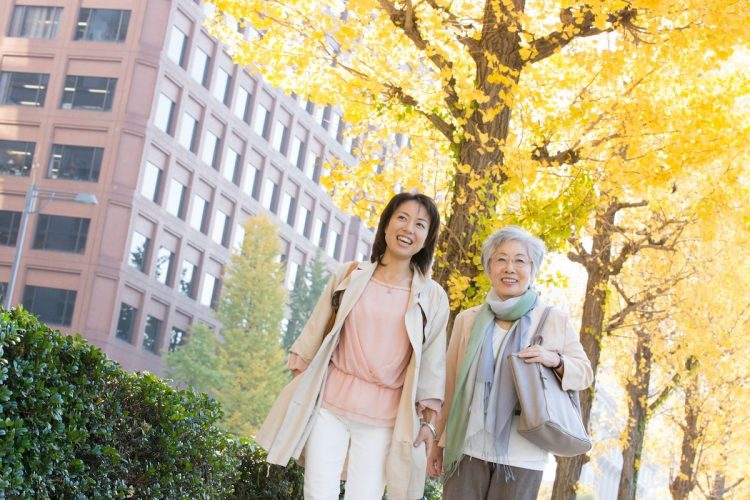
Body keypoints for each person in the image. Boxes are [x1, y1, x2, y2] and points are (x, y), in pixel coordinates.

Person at [256, 192, 450, 500]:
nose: (408, 228)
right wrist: (302, 391)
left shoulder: (433, 296)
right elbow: (313, 334)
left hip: (385, 416)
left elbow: (433, 363)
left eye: (420, 224)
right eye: (402, 218)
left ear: (427, 239)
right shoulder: (348, 274)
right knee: (318, 492)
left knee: (366, 494)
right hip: (330, 405)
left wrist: (428, 423)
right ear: (386, 225)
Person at [428, 225, 593, 499]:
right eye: (501, 259)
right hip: (467, 446)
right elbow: (451, 384)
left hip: (523, 453)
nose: (510, 268)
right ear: (489, 267)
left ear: (532, 269)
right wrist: (438, 441)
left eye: (520, 260)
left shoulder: (552, 319)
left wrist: (553, 359)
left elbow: (585, 373)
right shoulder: (468, 320)